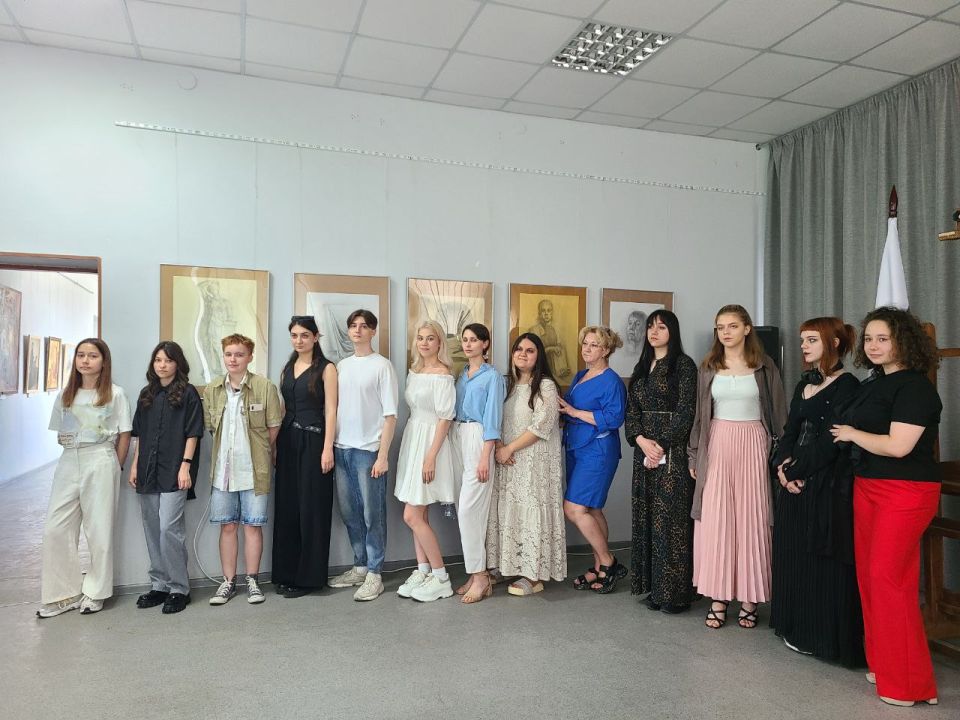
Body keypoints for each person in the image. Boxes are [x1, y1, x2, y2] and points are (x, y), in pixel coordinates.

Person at [830, 307, 942, 707]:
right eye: (869, 339)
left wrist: (852, 433)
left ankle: (910, 685)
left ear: (903, 342)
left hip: (906, 491)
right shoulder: (875, 383)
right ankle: (885, 665)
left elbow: (898, 446)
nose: (873, 346)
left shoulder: (915, 388)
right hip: (869, 486)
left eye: (883, 338)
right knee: (871, 579)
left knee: (887, 579)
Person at [770, 317, 864, 666]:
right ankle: (795, 627)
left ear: (834, 343)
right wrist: (782, 467)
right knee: (793, 554)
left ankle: (818, 636)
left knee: (818, 559)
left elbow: (831, 442)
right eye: (802, 340)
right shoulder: (803, 383)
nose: (804, 347)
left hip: (826, 483)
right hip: (795, 480)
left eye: (812, 340)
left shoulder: (848, 385)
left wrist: (795, 471)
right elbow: (790, 430)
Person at [689, 304, 786, 630]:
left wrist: (784, 458)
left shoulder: (765, 367)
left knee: (752, 519)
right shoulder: (708, 367)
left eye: (732, 326)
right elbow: (700, 417)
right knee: (716, 519)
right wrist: (693, 456)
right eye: (720, 327)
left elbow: (780, 415)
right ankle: (718, 597)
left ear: (746, 329)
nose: (726, 332)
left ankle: (750, 598)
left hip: (753, 445)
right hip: (717, 443)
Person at [37, 339, 131, 618]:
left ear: (104, 361)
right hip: (68, 460)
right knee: (55, 528)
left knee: (99, 529)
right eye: (81, 355)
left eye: (92, 356)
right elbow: (61, 432)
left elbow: (125, 434)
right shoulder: (66, 394)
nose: (85, 361)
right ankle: (64, 594)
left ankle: (96, 592)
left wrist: (115, 466)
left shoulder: (115, 394)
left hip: (101, 458)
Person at [625, 310, 697, 614]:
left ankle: (676, 594)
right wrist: (641, 441)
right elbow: (631, 411)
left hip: (673, 453)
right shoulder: (642, 366)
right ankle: (655, 589)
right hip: (644, 452)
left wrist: (662, 445)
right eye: (650, 327)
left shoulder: (684, 365)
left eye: (661, 327)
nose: (654, 332)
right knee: (647, 517)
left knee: (671, 521)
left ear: (673, 331)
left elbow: (686, 411)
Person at [203, 333, 281, 606]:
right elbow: (211, 428)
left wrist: (257, 453)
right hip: (223, 472)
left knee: (252, 526)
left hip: (254, 470)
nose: (233, 359)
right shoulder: (213, 390)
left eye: (239, 354)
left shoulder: (265, 387)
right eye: (229, 354)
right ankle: (228, 582)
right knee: (227, 526)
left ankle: (252, 580)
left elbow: (273, 427)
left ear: (249, 357)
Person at [486, 333, 565, 596]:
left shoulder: (545, 386)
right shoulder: (506, 384)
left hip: (534, 461)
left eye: (530, 350)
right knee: (508, 510)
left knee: (530, 509)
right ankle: (507, 566)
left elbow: (542, 425)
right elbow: (494, 418)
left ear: (539, 355)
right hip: (507, 460)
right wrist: (500, 447)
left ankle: (533, 575)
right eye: (518, 349)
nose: (523, 354)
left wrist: (509, 448)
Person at [329, 310, 399, 602]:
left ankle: (374, 573)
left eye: (364, 326)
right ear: (348, 331)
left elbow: (390, 415)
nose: (358, 330)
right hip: (342, 449)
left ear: (373, 331)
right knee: (349, 513)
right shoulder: (341, 366)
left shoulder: (382, 366)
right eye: (353, 326)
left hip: (369, 451)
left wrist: (383, 456)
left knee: (373, 515)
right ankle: (359, 566)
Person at [129, 341, 203, 614]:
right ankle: (159, 585)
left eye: (168, 360)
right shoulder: (146, 394)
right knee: (151, 527)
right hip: (147, 469)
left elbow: (193, 433)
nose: (162, 365)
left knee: (169, 529)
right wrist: (135, 466)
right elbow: (140, 434)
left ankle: (179, 589)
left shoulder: (188, 393)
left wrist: (185, 466)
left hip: (175, 469)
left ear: (177, 364)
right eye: (158, 360)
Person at [272, 316, 338, 598]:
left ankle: (309, 579)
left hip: (314, 441)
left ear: (315, 337)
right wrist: (275, 446)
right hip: (288, 441)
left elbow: (331, 410)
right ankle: (286, 574)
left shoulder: (327, 368)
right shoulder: (287, 368)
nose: (299, 340)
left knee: (312, 508)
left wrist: (327, 448)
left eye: (304, 335)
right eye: (294, 335)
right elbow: (283, 409)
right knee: (288, 507)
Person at [561, 326, 627, 594]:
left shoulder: (612, 381)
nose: (586, 349)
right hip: (577, 447)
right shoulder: (581, 375)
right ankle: (599, 567)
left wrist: (575, 412)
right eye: (585, 344)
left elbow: (614, 418)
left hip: (598, 450)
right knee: (592, 509)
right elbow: (568, 409)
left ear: (606, 350)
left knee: (574, 509)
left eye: (593, 345)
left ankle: (609, 562)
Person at [394, 320, 457, 602]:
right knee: (419, 515)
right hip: (414, 438)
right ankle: (423, 571)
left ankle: (441, 578)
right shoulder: (415, 371)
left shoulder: (443, 375)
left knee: (411, 515)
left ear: (439, 342)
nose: (424, 343)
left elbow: (445, 418)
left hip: (431, 444)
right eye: (420, 338)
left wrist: (430, 456)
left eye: (430, 338)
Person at [452, 323, 505, 604]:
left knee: (469, 512)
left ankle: (481, 576)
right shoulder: (461, 375)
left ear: (485, 344)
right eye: (465, 339)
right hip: (457, 435)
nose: (468, 344)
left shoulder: (492, 377)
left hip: (478, 437)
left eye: (474, 340)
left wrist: (486, 455)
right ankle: (475, 574)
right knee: (463, 510)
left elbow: (493, 418)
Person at [528, 298, 570, 381]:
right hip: (538, 369)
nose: (546, 313)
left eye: (549, 310)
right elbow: (533, 353)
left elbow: (559, 347)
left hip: (555, 370)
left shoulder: (553, 330)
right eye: (543, 311)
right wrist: (551, 348)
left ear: (552, 313)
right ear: (539, 313)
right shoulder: (533, 330)